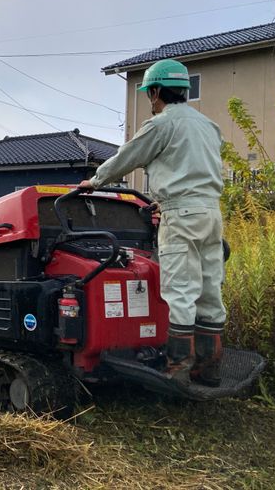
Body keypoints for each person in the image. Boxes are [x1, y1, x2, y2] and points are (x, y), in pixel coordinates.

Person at [78, 58, 225, 387]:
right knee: (210, 288)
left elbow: (128, 156)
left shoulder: (162, 124)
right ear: (184, 90)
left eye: (150, 93)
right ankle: (210, 367)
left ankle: (179, 368)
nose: (150, 99)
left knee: (181, 291)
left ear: (156, 91)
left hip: (181, 216)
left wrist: (95, 181)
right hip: (211, 213)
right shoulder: (208, 125)